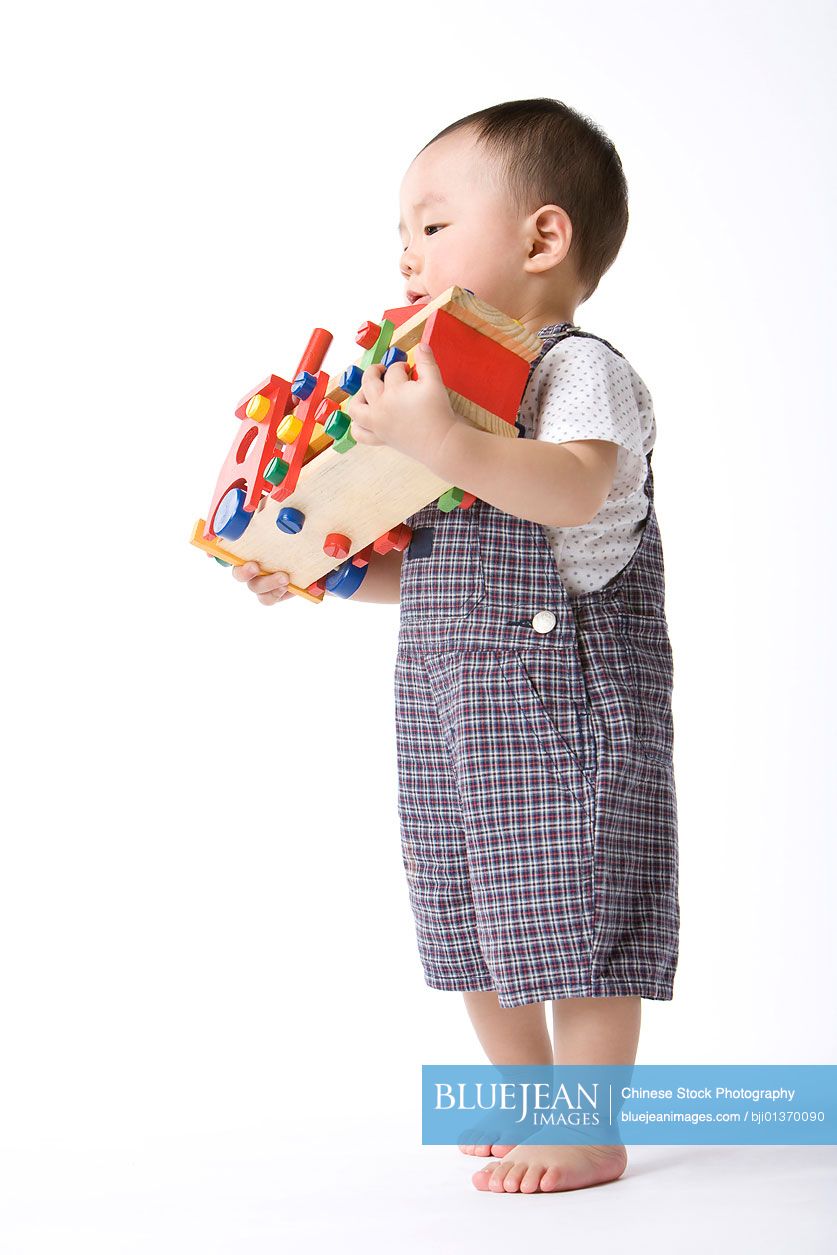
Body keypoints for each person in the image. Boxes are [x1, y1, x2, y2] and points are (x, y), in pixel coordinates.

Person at [233, 98, 679, 1196]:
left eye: (431, 225)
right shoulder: (449, 401)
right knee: (469, 908)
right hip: (449, 707)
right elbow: (442, 563)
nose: (404, 251)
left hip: (563, 702)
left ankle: (587, 1127)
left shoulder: (575, 370)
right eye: (400, 232)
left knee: (580, 909)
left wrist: (435, 438)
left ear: (542, 237)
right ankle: (527, 1099)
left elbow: (572, 491)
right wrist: (321, 571)